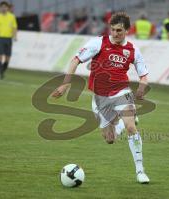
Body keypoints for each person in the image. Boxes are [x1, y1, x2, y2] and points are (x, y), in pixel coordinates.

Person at [51, 12, 150, 184]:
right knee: (110, 139)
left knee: (131, 128)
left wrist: (142, 87)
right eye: (112, 30)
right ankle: (121, 122)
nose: (115, 33)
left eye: (119, 30)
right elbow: (75, 60)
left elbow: (144, 75)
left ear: (127, 30)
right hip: (99, 97)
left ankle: (140, 171)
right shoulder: (99, 43)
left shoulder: (133, 51)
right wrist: (66, 84)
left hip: (121, 92)